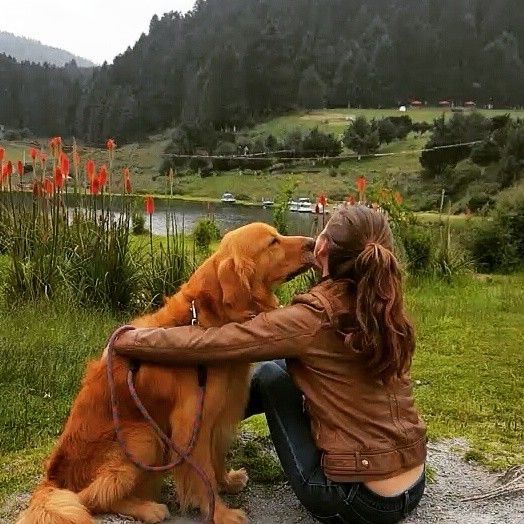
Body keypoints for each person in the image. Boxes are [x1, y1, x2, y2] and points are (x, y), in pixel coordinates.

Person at [113, 205, 427, 524]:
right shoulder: (385, 310)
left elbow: (214, 343)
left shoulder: (311, 319)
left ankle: (197, 434)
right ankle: (209, 442)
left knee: (270, 376)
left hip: (353, 500)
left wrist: (129, 339)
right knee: (278, 366)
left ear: (321, 247)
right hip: (413, 483)